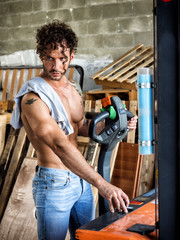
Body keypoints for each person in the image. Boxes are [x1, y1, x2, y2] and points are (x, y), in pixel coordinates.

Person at [10, 20, 138, 240]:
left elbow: (81, 127)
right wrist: (102, 184)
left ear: (71, 56)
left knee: (87, 237)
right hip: (54, 183)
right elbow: (59, 143)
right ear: (41, 56)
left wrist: (118, 124)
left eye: (62, 59)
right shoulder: (33, 97)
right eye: (50, 58)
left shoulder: (74, 90)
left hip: (81, 179)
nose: (56, 66)